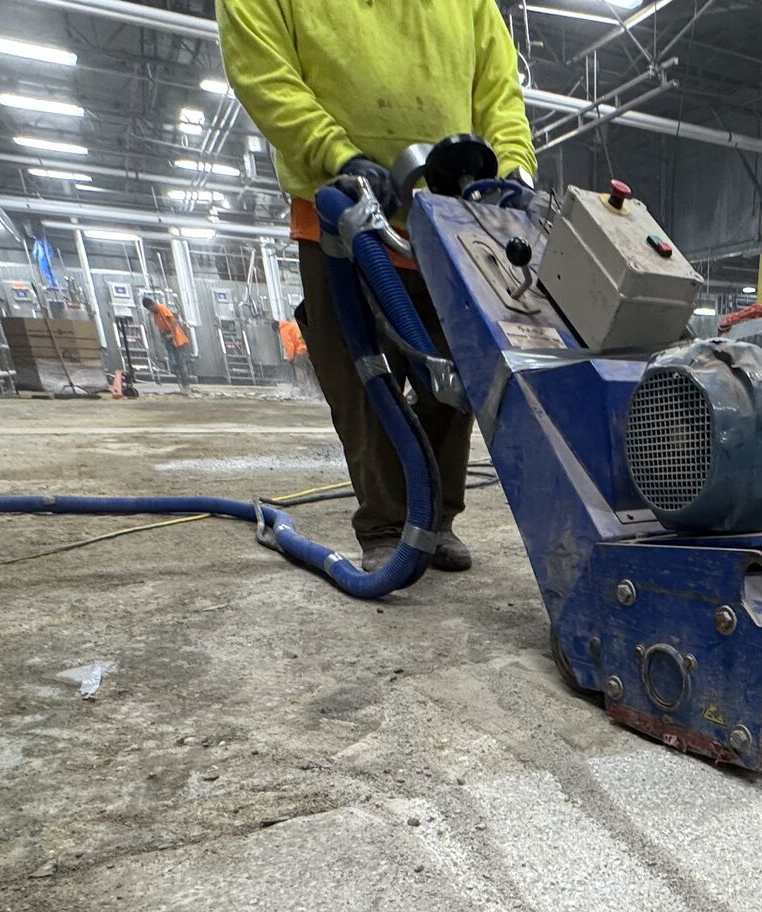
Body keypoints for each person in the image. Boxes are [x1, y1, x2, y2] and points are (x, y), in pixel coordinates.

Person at [219, 0, 536, 571]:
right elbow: (264, 74)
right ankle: (389, 526)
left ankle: (436, 521)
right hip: (344, 213)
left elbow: (499, 92)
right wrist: (337, 154)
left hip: (453, 220)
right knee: (362, 380)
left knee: (457, 379)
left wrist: (511, 167)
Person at [143, 296, 194, 393]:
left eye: (150, 308)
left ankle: (186, 385)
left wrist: (171, 334)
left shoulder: (162, 308)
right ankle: (181, 384)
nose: (150, 311)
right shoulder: (155, 315)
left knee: (180, 362)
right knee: (174, 363)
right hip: (168, 340)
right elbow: (160, 327)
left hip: (177, 338)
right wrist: (164, 337)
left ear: (152, 304)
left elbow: (173, 321)